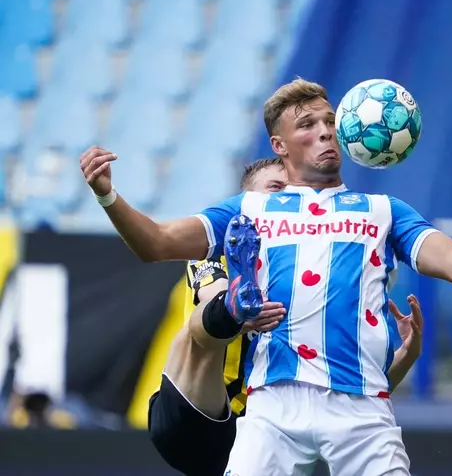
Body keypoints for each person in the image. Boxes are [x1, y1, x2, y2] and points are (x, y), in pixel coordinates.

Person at [79, 78, 452, 475]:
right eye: (306, 124)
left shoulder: (383, 210)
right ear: (279, 146)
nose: (324, 130)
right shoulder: (252, 210)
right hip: (271, 409)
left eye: (328, 120)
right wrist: (108, 195)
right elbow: (157, 244)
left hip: (360, 412)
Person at [146, 157, 425, 476]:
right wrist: (235, 309)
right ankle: (235, 306)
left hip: (257, 433)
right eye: (276, 191)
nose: (286, 202)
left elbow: (357, 394)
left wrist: (406, 356)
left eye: (293, 193)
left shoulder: (316, 287)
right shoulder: (216, 251)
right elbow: (209, 292)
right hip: (193, 413)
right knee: (202, 331)